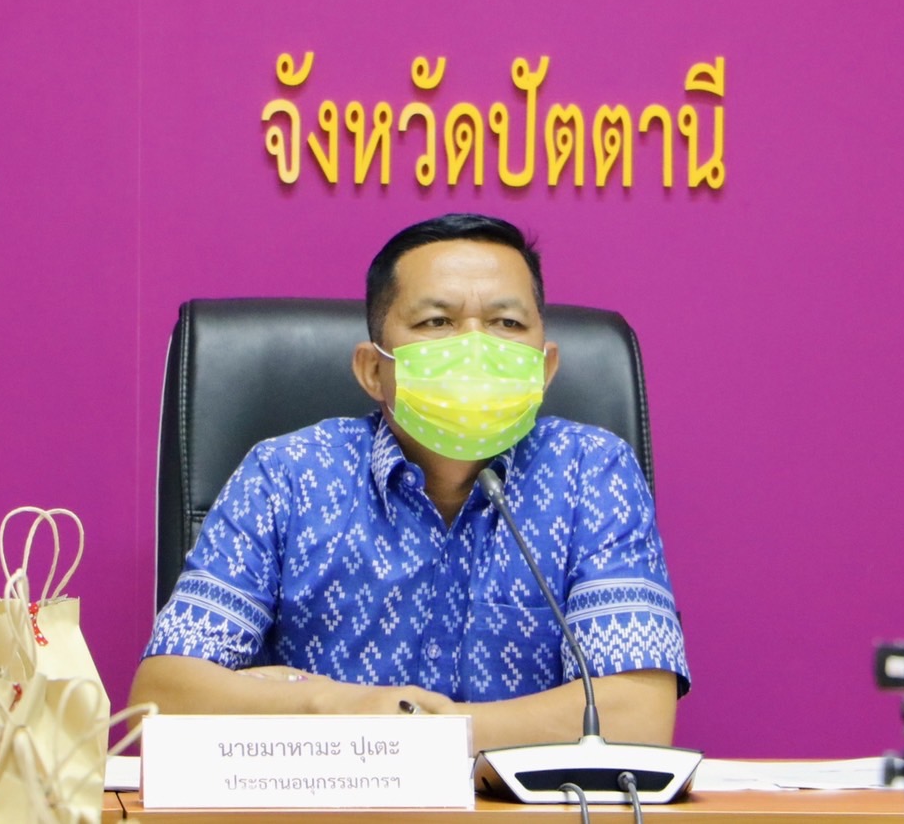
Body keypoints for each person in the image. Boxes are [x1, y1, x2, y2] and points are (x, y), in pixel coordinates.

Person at [130, 213, 689, 751]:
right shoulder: (287, 475)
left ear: (544, 368)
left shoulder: (592, 472)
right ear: (373, 370)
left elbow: (636, 718)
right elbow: (161, 701)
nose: (475, 348)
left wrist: (416, 733)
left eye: (507, 324)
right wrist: (335, 707)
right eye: (437, 322)